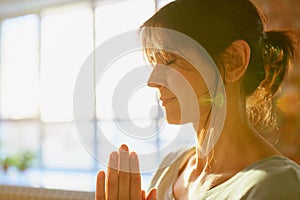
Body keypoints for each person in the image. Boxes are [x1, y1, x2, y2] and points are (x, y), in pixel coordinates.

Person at [96, 0, 300, 199]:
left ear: (234, 61)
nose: (152, 81)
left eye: (169, 60)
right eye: (154, 64)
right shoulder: (171, 168)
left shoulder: (277, 184)